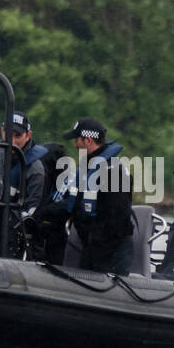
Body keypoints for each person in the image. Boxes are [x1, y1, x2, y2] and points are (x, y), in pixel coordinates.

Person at [61, 117, 135, 275]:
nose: (74, 145)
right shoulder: (88, 169)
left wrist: (95, 247)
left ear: (88, 140)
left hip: (111, 251)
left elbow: (116, 220)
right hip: (93, 247)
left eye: (77, 140)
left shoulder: (113, 172)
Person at [4, 111, 48, 256]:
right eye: (9, 134)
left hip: (19, 236)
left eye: (18, 136)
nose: (12, 141)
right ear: (2, 131)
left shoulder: (35, 169)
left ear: (28, 135)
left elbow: (31, 211)